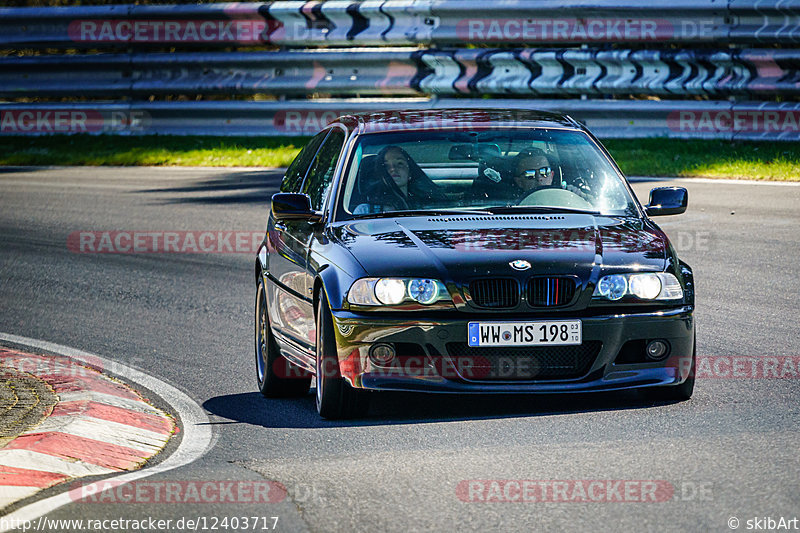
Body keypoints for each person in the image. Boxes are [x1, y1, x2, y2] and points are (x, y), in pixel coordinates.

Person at [354, 145, 445, 213]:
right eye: (386, 166)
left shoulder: (429, 206)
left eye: (399, 163)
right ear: (380, 174)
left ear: (410, 172)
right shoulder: (365, 211)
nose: (393, 169)